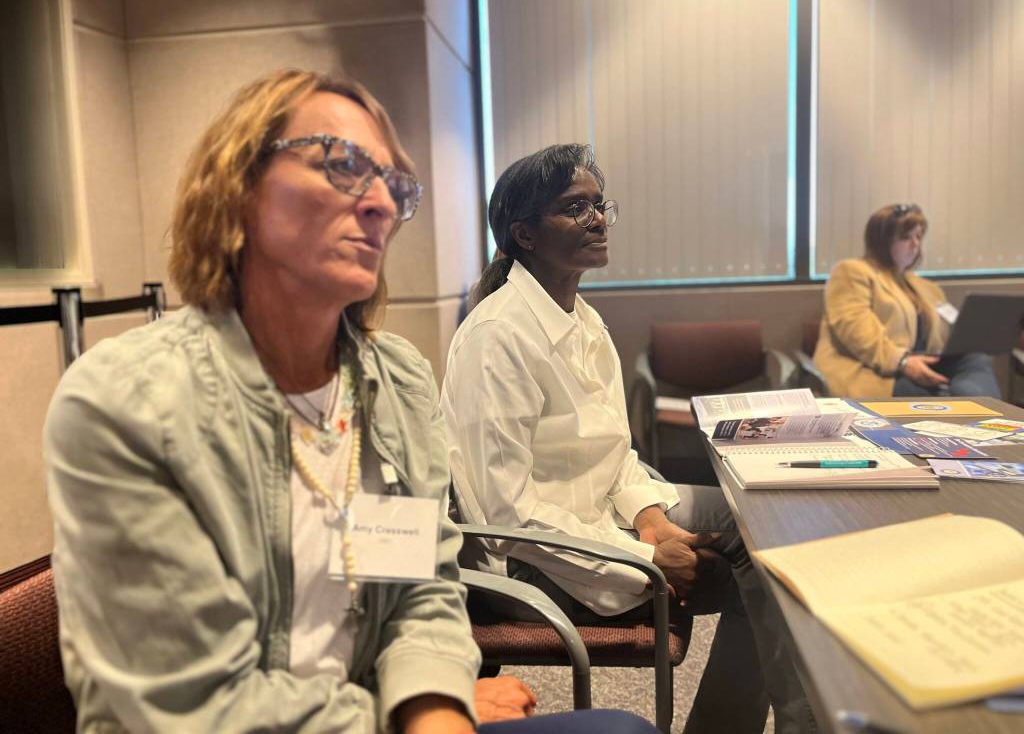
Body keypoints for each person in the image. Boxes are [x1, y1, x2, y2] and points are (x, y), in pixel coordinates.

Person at [43, 72, 657, 734]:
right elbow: (193, 708)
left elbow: (421, 597)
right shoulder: (128, 402)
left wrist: (429, 703)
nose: (380, 206)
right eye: (342, 165)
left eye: (394, 187)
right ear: (238, 188)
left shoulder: (394, 384)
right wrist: (418, 717)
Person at [441, 144, 817, 734]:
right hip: (527, 567)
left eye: (599, 205)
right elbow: (505, 514)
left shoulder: (585, 320)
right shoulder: (496, 337)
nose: (596, 218)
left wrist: (648, 517)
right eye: (574, 208)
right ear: (526, 235)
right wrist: (647, 562)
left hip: (595, 522)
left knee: (767, 520)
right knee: (756, 565)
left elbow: (616, 456)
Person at [814, 204, 1002, 398]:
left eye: (918, 236)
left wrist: (980, 336)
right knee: (940, 398)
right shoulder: (852, 272)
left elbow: (947, 333)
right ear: (882, 242)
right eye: (906, 237)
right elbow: (858, 332)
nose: (915, 244)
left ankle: (988, 418)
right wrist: (903, 362)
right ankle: (978, 415)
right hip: (877, 372)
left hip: (921, 362)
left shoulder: (926, 287)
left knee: (976, 359)